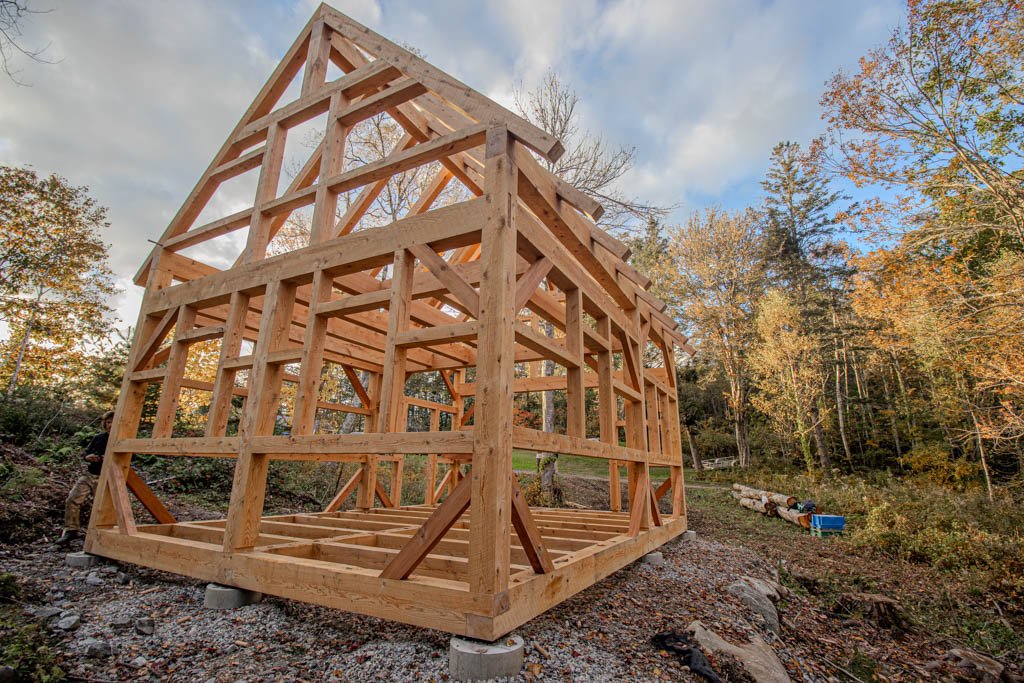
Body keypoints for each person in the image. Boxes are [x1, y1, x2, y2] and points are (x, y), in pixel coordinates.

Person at [55, 411, 114, 546]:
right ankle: (71, 530)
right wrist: (88, 457)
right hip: (90, 474)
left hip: (106, 477)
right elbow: (86, 453)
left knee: (100, 507)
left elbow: (131, 458)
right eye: (108, 422)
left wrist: (107, 458)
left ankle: (100, 537)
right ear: (104, 424)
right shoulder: (98, 438)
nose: (110, 425)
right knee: (72, 499)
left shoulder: (122, 438)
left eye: (112, 422)